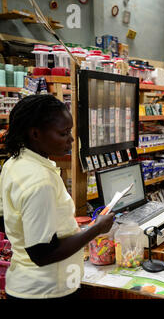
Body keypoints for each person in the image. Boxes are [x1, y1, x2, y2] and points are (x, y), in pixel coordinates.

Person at [0, 94, 115, 299]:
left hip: (28, 284)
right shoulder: (39, 182)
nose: (71, 139)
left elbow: (9, 219)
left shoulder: (15, 164)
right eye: (63, 133)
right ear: (35, 133)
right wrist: (97, 228)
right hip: (47, 290)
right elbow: (43, 254)